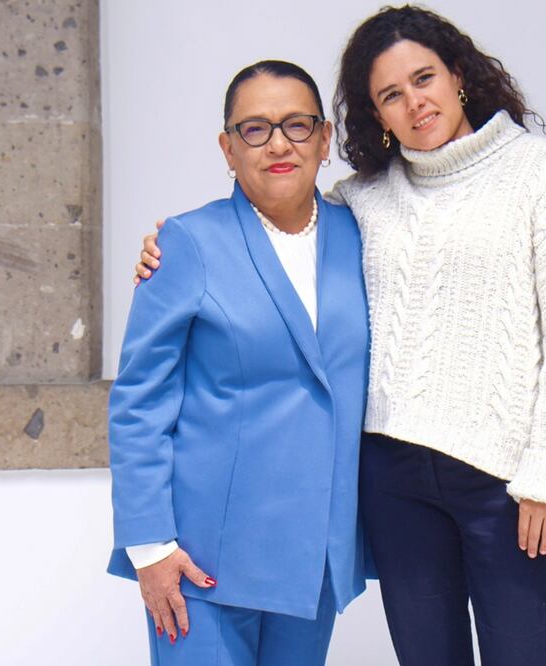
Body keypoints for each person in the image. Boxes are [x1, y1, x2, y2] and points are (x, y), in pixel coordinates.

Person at [135, 6, 546, 664]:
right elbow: (278, 235)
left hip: (506, 484)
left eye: (423, 79)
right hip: (393, 482)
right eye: (390, 94)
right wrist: (169, 250)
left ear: (458, 76)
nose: (414, 102)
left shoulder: (539, 172)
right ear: (374, 115)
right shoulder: (361, 199)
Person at [109, 60, 371, 666]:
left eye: (297, 125)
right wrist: (149, 546)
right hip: (202, 561)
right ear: (228, 148)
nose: (279, 142)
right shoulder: (187, 242)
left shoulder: (362, 236)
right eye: (254, 129)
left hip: (316, 554)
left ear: (325, 138)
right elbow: (138, 403)